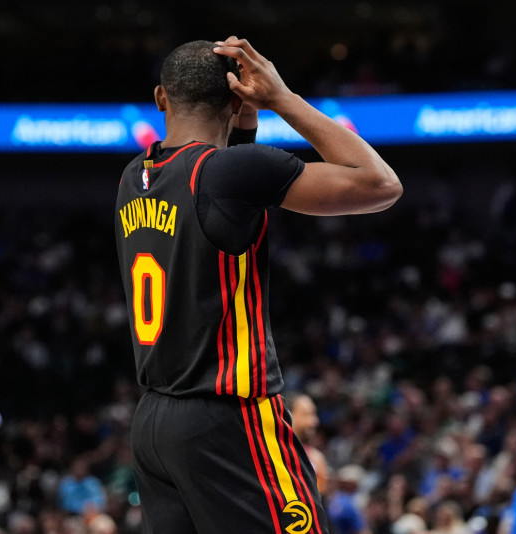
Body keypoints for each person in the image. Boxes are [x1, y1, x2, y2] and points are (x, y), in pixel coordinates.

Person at [114, 36, 401, 534]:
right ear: (237, 98)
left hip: (155, 422)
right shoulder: (229, 174)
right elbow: (380, 184)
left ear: (161, 98)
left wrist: (242, 124)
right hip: (227, 417)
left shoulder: (135, 176)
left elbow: (221, 200)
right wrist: (281, 99)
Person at [287, 392, 330, 496]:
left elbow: (320, 498)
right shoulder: (269, 451)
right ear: (289, 415)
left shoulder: (316, 459)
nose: (315, 421)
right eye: (307, 414)